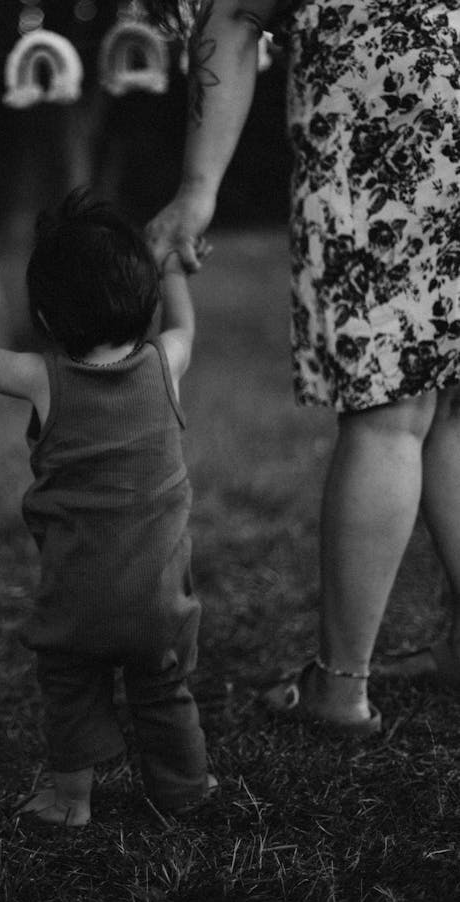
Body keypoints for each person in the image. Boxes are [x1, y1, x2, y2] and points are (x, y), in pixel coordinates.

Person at [146, 0, 460, 733]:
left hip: (386, 102)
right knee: (451, 400)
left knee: (390, 412)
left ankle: (340, 687)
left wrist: (197, 189)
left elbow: (237, 12)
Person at [0, 189, 215, 825]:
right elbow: (186, 327)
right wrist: (170, 267)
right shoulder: (164, 364)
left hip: (75, 601)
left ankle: (71, 801)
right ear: (142, 303)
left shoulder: (44, 379)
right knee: (164, 688)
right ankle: (184, 788)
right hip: (160, 602)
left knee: (71, 690)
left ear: (45, 316)